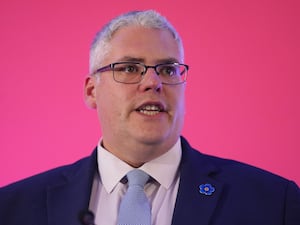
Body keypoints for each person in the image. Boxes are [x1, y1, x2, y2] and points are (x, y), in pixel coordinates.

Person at [0, 9, 299, 225]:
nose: (153, 82)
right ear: (92, 91)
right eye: (130, 68)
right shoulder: (13, 208)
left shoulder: (273, 203)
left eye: (168, 70)